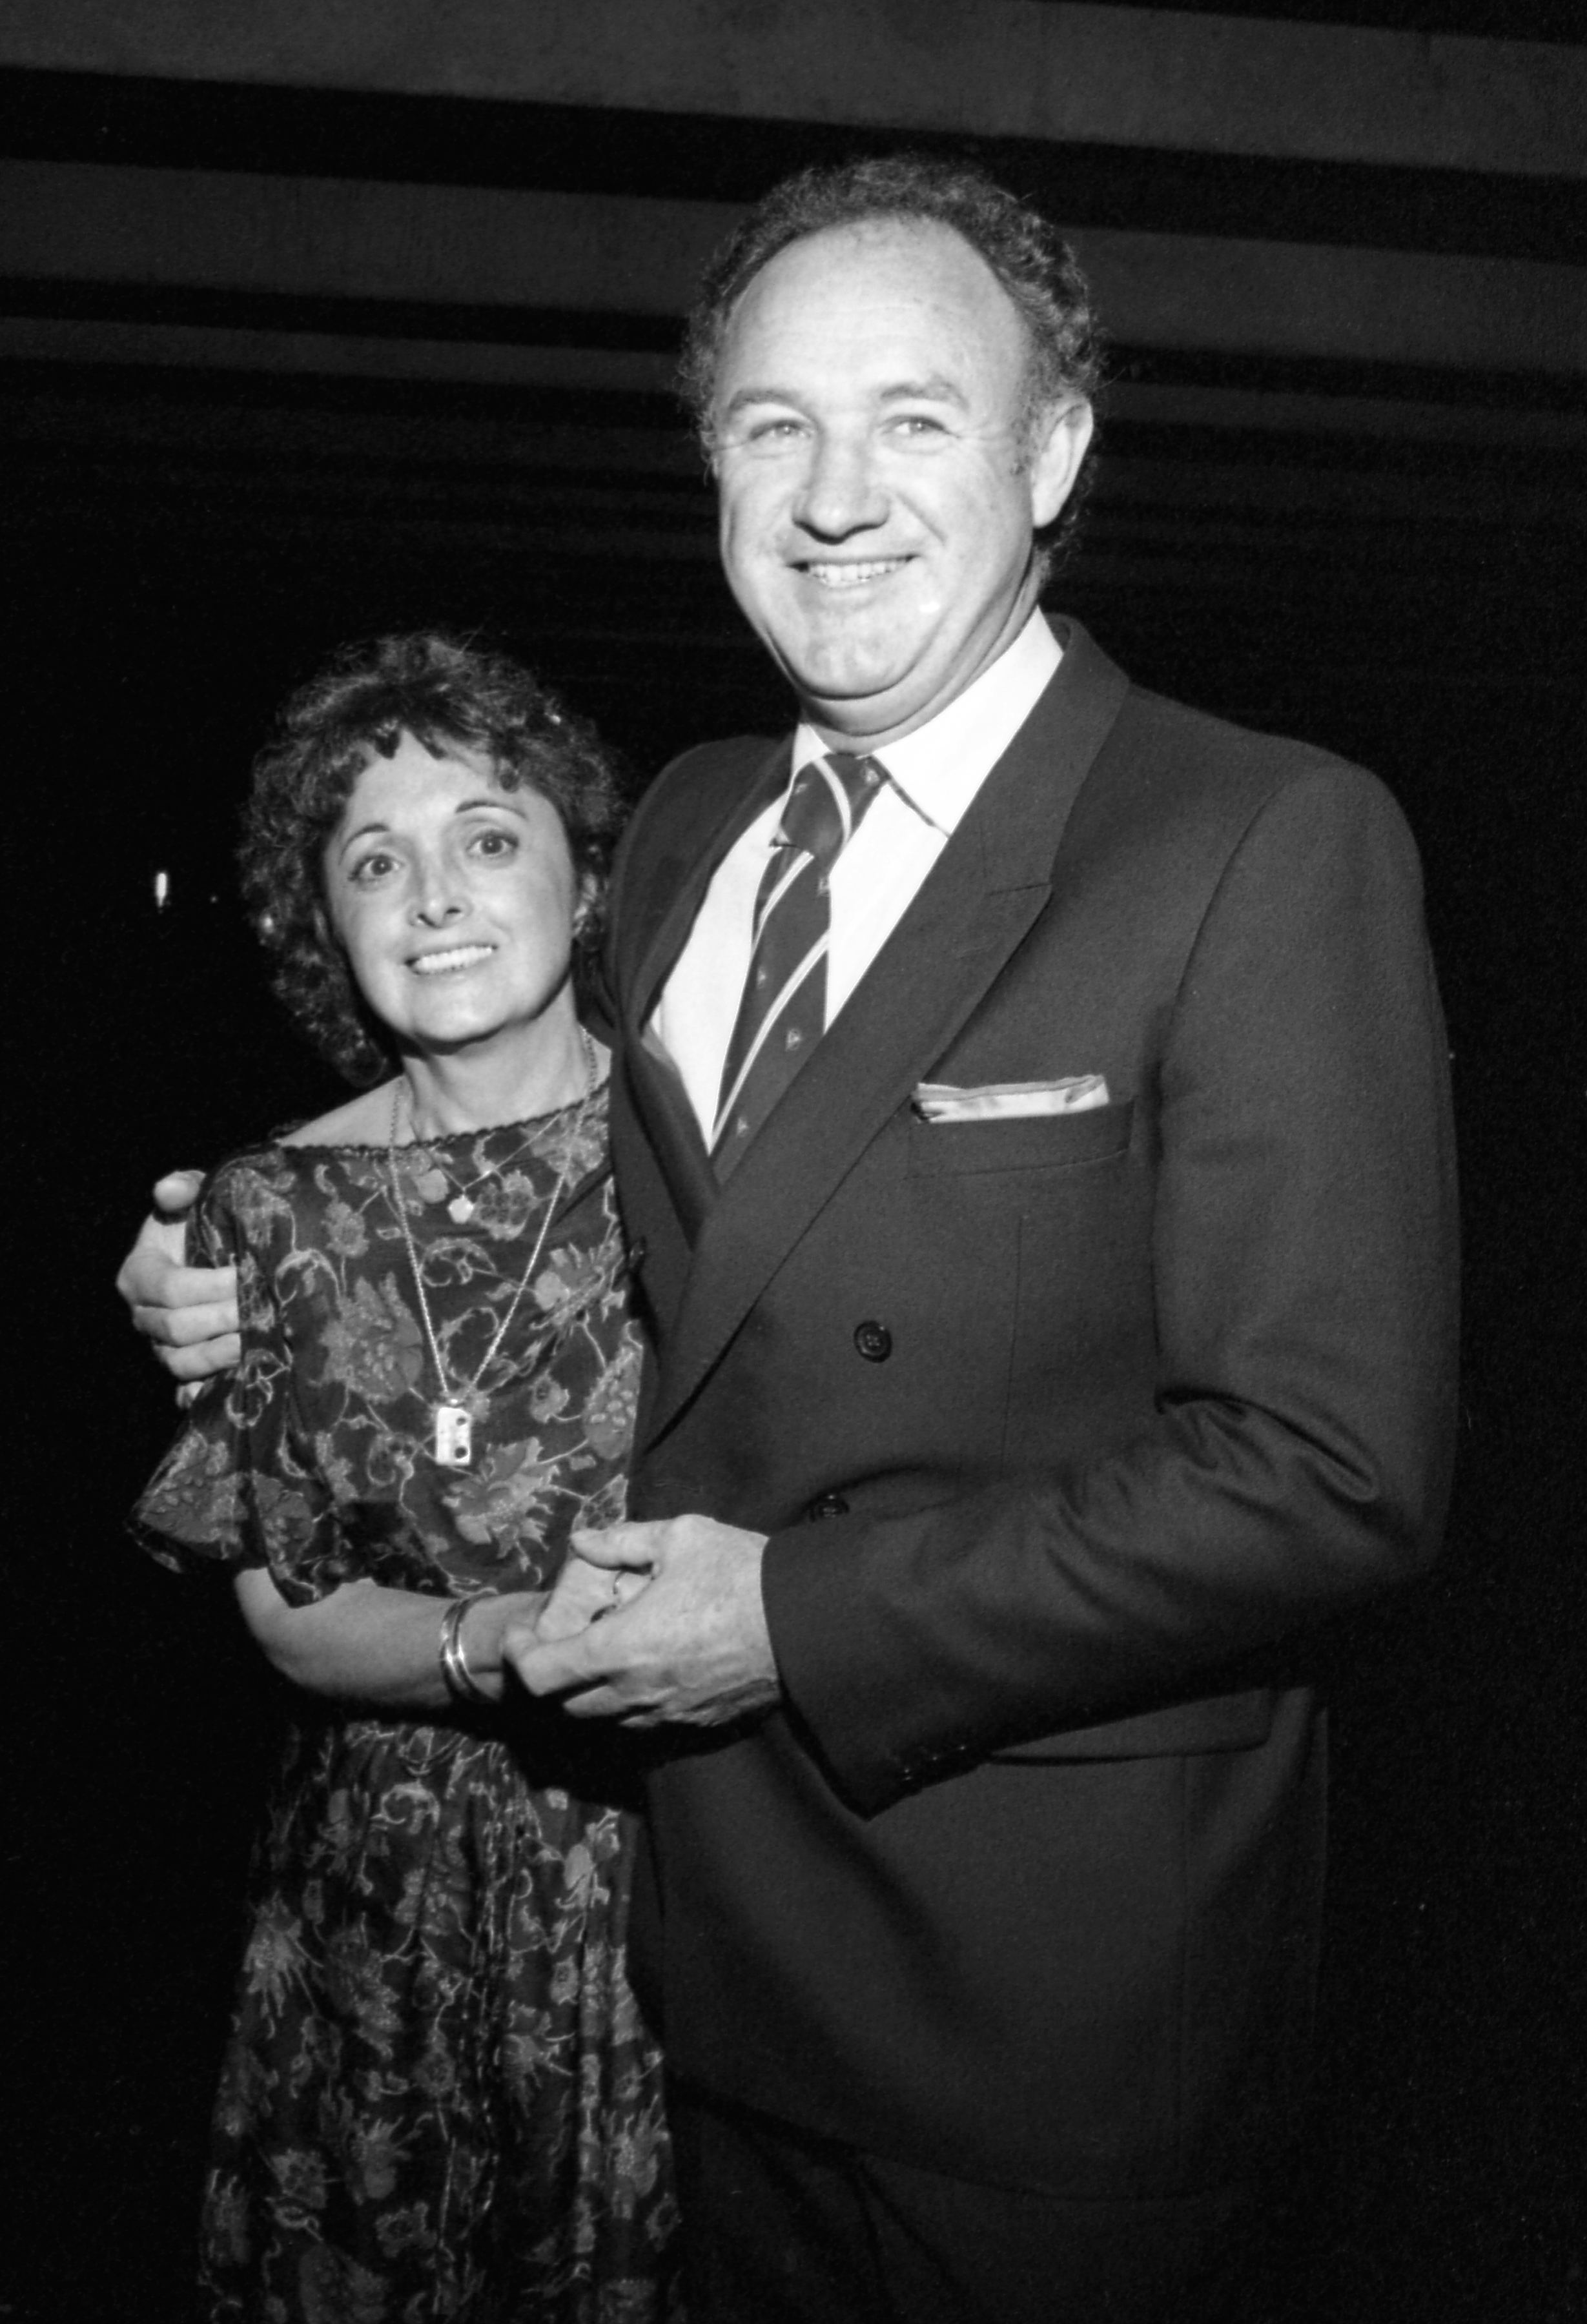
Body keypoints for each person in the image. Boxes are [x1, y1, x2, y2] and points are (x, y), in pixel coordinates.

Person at [123, 158, 1460, 2324]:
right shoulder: (686, 825)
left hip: (1048, 2021)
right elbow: (500, 1151)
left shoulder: (1255, 838)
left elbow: (1334, 1470)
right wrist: (217, 1258)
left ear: (1053, 454)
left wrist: (798, 1620)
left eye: (913, 419)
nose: (834, 495)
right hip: (703, 1985)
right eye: (772, 430)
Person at [128, 633, 677, 2323]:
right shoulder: (263, 1215)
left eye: (486, 838)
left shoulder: (713, 1158)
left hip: (673, 1895)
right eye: (376, 860)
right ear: (324, 924)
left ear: (585, 876)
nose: (432, 896)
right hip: (372, 1925)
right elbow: (290, 1617)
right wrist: (496, 1639)